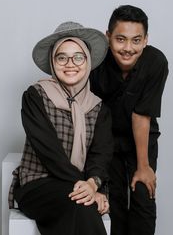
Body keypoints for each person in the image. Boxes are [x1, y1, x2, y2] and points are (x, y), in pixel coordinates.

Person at [8, 21, 114, 235]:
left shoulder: (98, 107)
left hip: (79, 184)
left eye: (78, 56)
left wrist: (94, 185)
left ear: (87, 61)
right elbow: (49, 152)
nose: (70, 64)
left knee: (82, 203)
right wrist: (87, 188)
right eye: (62, 57)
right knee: (83, 204)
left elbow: (101, 155)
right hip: (37, 184)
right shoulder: (36, 95)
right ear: (52, 61)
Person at [90, 5, 169, 235]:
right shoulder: (96, 63)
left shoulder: (155, 62)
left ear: (145, 40)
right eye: (120, 39)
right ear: (108, 37)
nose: (127, 48)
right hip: (105, 140)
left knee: (143, 197)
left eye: (136, 40)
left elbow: (142, 114)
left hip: (142, 140)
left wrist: (143, 166)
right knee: (112, 201)